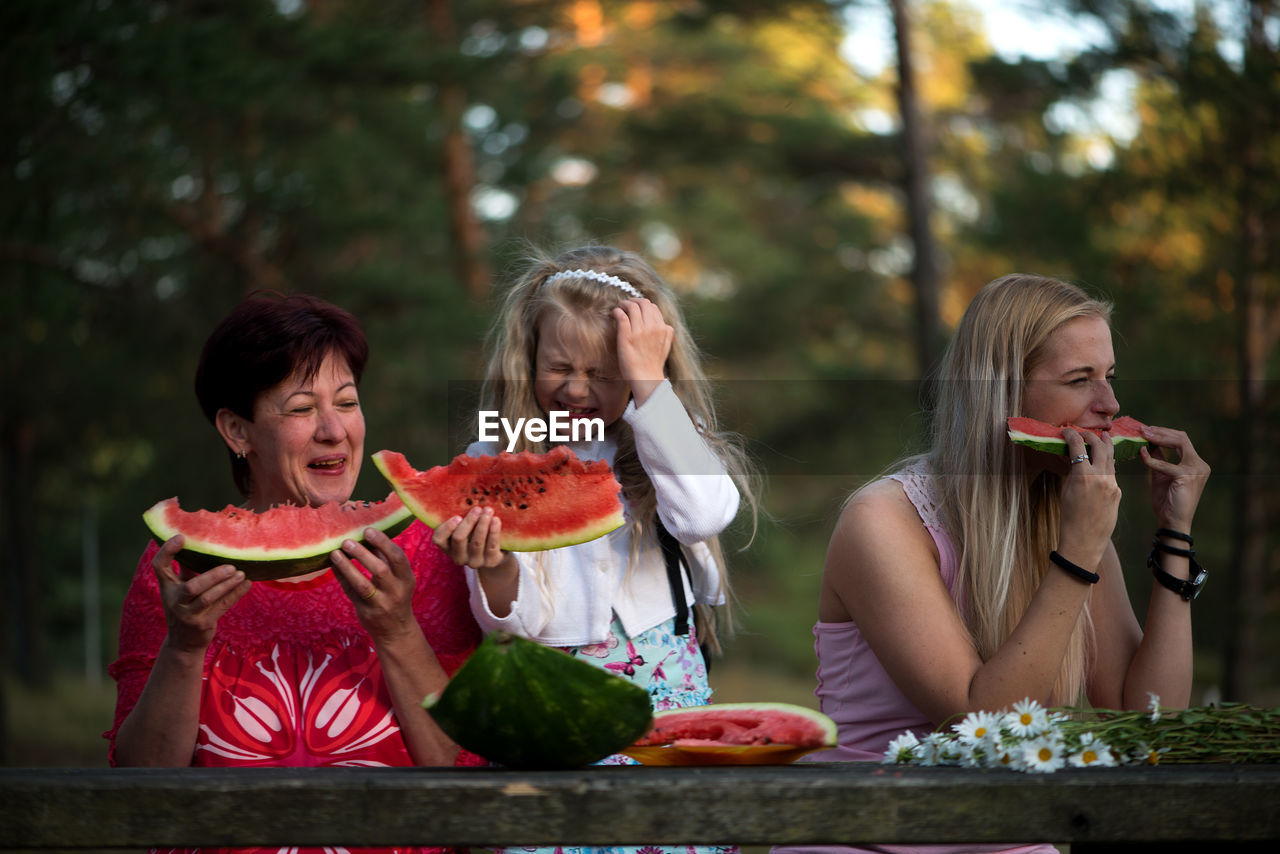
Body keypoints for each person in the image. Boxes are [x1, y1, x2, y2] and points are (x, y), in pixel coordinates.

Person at [781, 274, 1210, 854]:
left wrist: (1175, 534)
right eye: (1079, 380)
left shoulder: (1072, 524)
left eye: (1110, 378)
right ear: (1001, 391)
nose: (1110, 406)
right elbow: (982, 726)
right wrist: (1079, 552)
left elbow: (1148, 719)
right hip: (870, 836)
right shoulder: (882, 521)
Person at [106, 294, 483, 836]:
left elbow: (464, 775)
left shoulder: (424, 553)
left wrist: (398, 631)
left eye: (348, 403)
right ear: (238, 432)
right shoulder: (179, 569)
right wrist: (184, 648)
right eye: (303, 409)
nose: (334, 430)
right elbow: (141, 793)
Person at [433, 245, 756, 854]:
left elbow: (705, 514)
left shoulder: (666, 442)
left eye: (604, 374)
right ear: (527, 360)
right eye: (559, 367)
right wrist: (496, 567)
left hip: (666, 721)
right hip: (550, 720)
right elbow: (518, 623)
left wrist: (649, 390)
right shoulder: (493, 457)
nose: (578, 390)